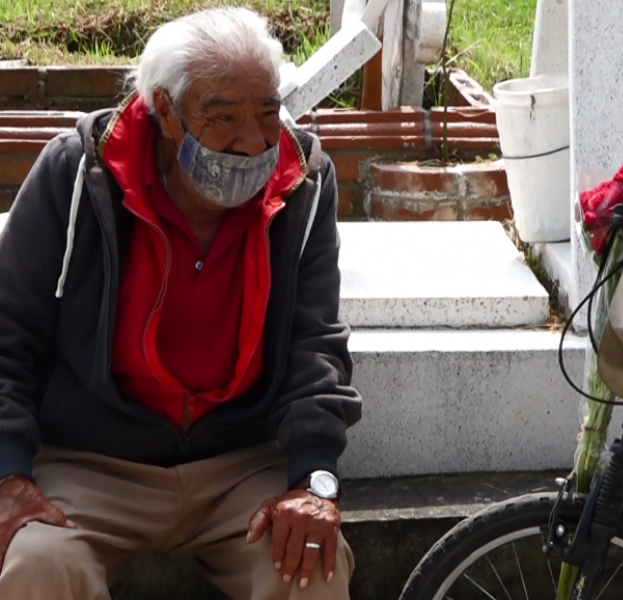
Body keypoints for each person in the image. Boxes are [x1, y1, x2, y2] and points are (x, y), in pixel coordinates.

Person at [0, 7, 362, 600]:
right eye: (223, 117)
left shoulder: (303, 181)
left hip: (240, 462)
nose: (253, 140)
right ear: (164, 111)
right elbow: (6, 333)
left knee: (308, 566)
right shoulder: (76, 172)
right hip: (93, 461)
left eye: (268, 111)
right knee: (38, 561)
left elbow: (314, 344)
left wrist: (315, 480)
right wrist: (7, 473)